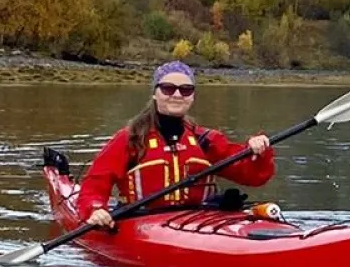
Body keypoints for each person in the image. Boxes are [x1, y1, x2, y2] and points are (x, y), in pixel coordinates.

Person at [75, 61, 275, 229]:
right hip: (141, 222)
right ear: (155, 93)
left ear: (192, 96)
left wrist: (258, 151)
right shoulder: (131, 138)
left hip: (199, 220)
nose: (177, 95)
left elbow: (253, 176)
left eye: (186, 90)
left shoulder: (206, 139)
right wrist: (95, 209)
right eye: (168, 88)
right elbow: (95, 184)